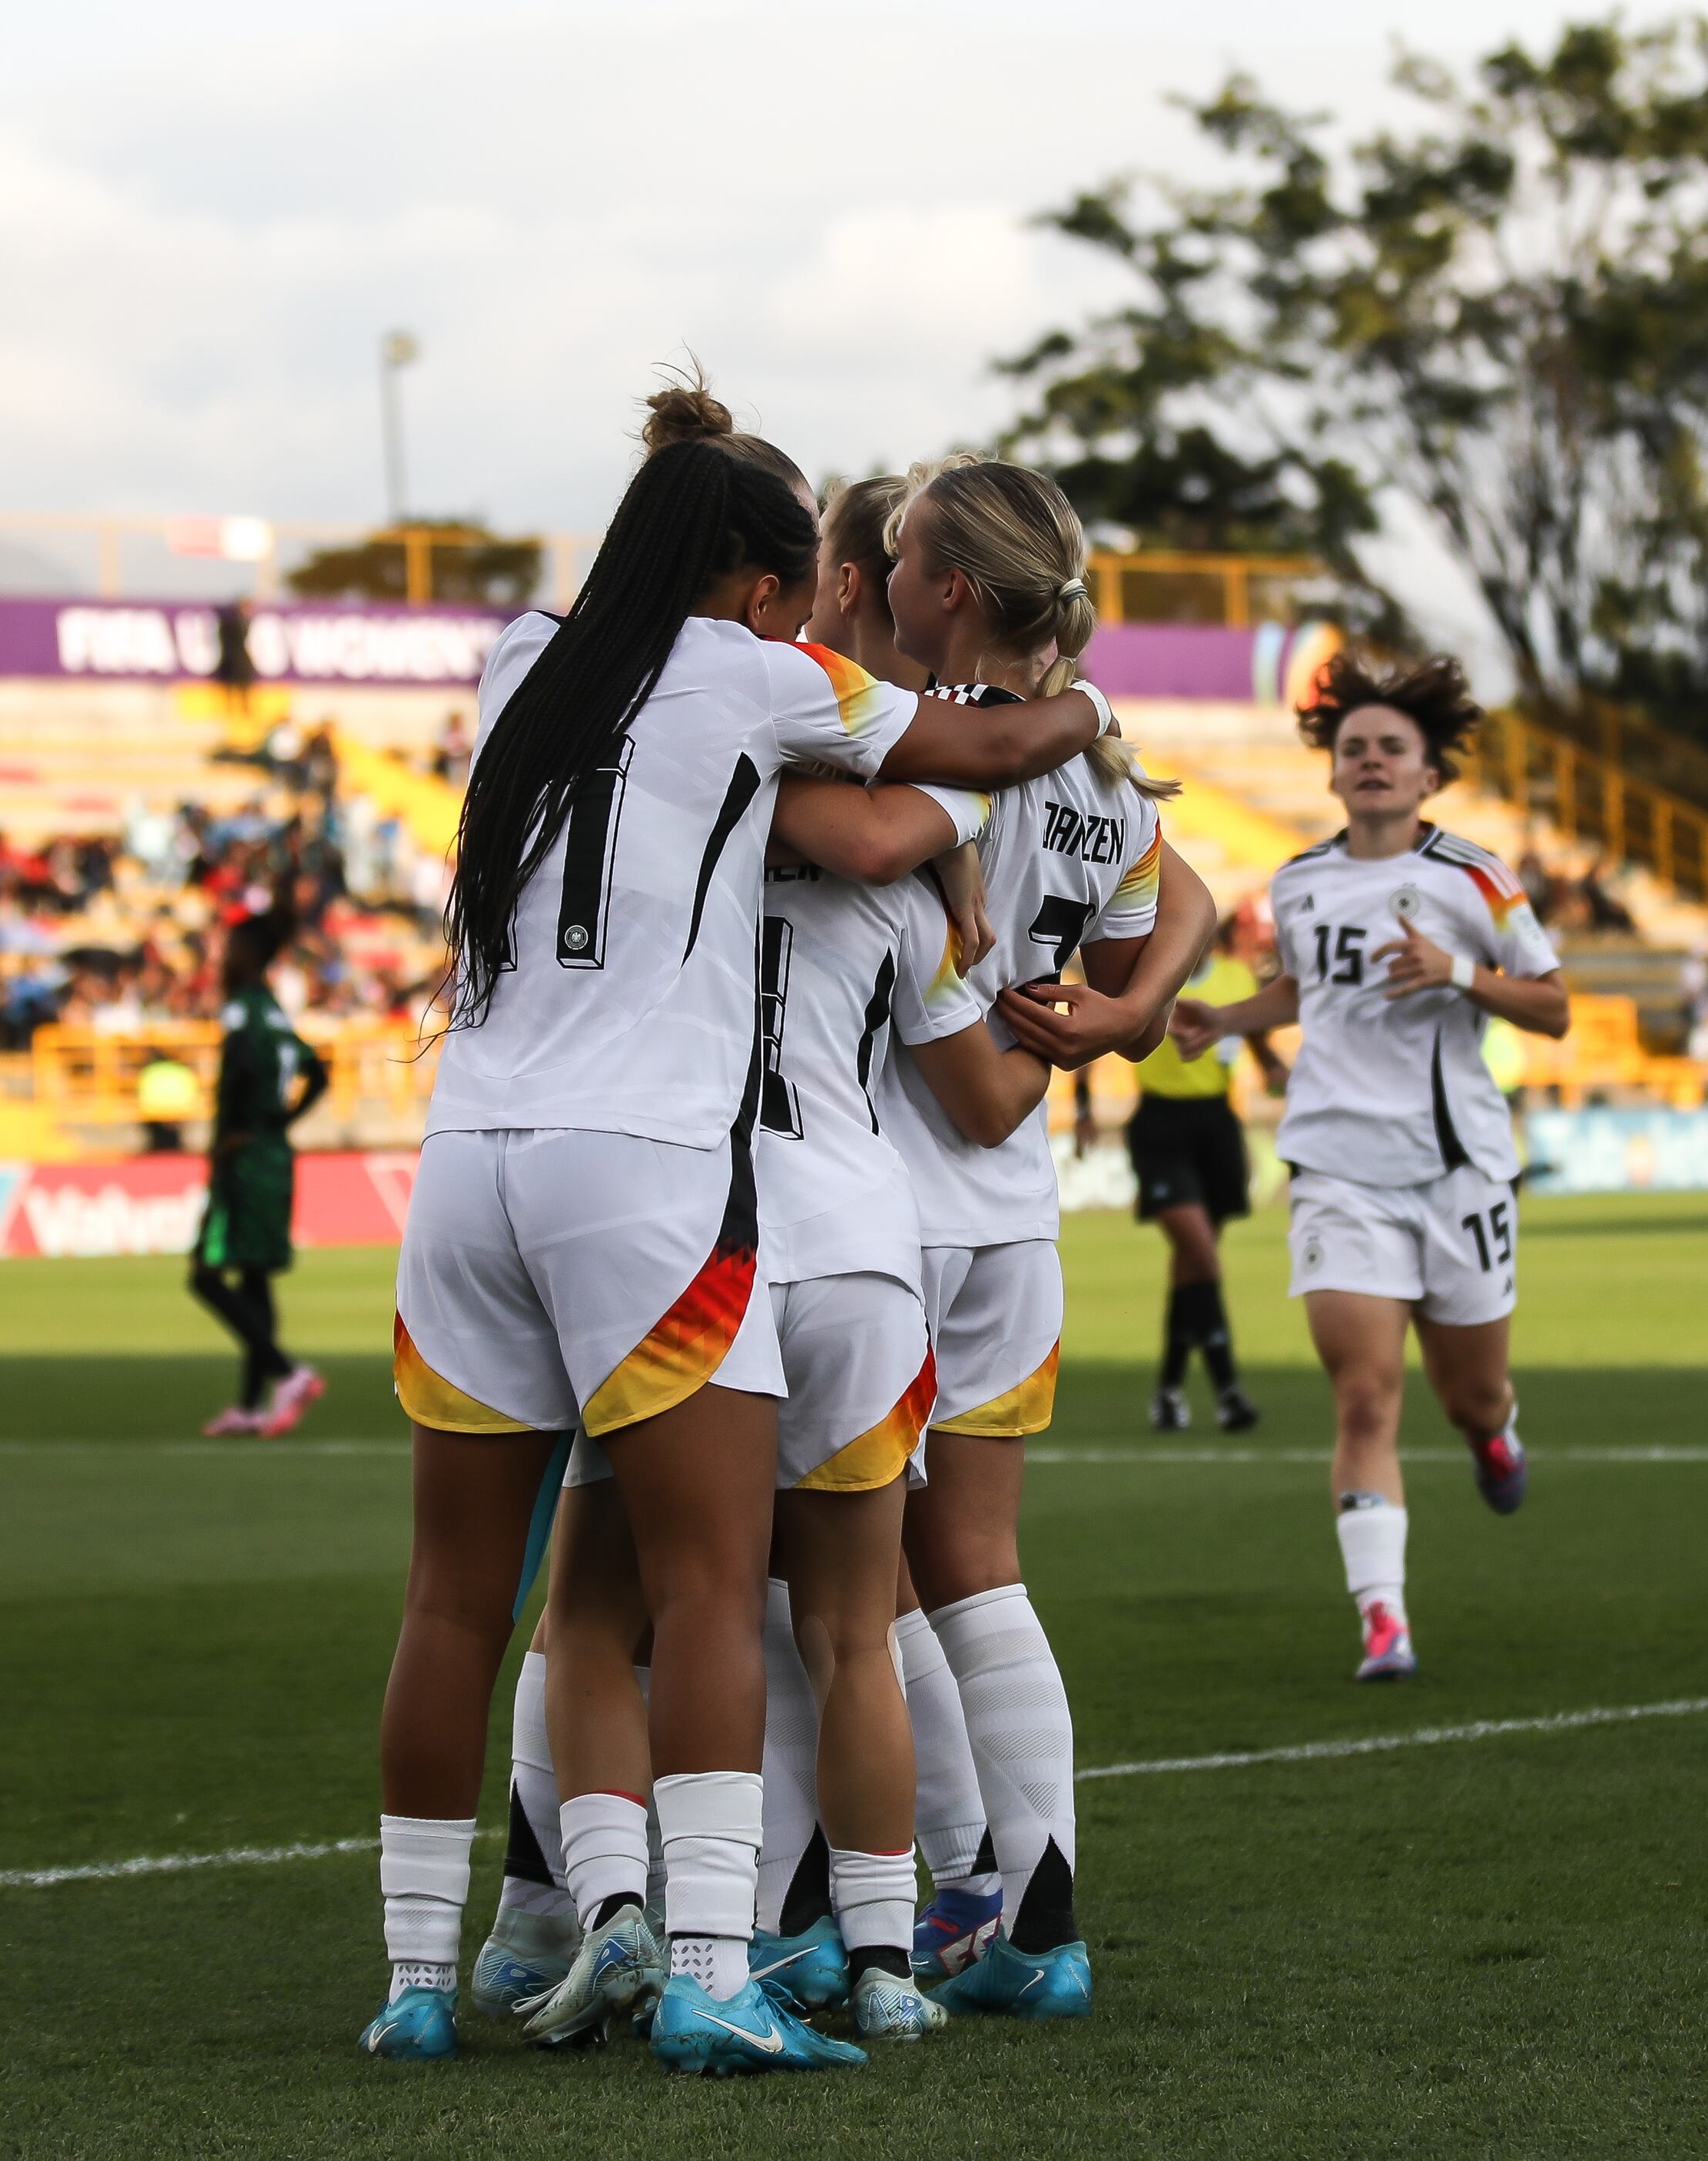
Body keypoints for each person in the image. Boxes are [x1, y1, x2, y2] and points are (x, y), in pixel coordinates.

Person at [360, 381, 1114, 2073]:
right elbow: (963, 759)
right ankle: (717, 1957)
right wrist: (1069, 719)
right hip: (653, 1172)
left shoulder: (515, 654)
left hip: (465, 1152)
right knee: (716, 1585)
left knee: (462, 1603)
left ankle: (424, 1973)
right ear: (765, 586)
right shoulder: (763, 678)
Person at [868, 452, 1222, 2020]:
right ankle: (1043, 1920)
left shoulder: (943, 766)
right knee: (981, 1568)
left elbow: (973, 1061)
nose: (874, 582)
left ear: (950, 588)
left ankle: (925, 1888)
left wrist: (1052, 1051)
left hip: (889, 1194)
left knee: (846, 1580)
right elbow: (1168, 926)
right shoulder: (1099, 776)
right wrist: (1125, 1015)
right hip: (1014, 1232)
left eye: (894, 558)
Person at [1169, 655, 1570, 1682]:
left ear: (1430, 773)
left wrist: (1459, 974)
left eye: (1394, 748)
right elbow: (1304, 994)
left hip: (1457, 1171)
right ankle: (1382, 1615)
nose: (1374, 762)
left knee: (1470, 1395)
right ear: (1334, 773)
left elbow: (1554, 1005)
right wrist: (1228, 1017)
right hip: (1336, 1168)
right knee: (1363, 1394)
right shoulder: (1299, 883)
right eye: (1356, 750)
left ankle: (1494, 1435)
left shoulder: (1474, 877)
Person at [1126, 916, 1282, 1431]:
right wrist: (1082, 1109)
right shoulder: (1152, 976)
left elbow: (1253, 1033)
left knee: (1193, 1266)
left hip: (1216, 1124)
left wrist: (1273, 1067)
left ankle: (1168, 1392)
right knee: (1200, 1252)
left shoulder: (1237, 978)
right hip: (1161, 1124)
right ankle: (1228, 1389)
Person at [190, 910, 330, 1437]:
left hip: (245, 1156)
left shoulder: (243, 1009)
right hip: (275, 1152)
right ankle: (251, 1405)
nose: (223, 959)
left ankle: (288, 1372)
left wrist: (230, 1132)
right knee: (253, 1276)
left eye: (229, 950)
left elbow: (244, 1063)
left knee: (204, 1273)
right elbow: (318, 1072)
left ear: (248, 955)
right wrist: (283, 1121)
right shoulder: (275, 1011)